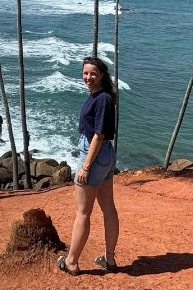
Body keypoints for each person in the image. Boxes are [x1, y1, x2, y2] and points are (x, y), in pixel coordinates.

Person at [58, 56, 119, 276]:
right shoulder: (101, 97)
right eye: (85, 73)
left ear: (101, 75)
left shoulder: (101, 99)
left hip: (94, 153)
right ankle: (109, 259)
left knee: (83, 212)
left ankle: (72, 261)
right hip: (106, 156)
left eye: (93, 73)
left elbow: (99, 135)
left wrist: (85, 166)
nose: (88, 77)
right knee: (108, 208)